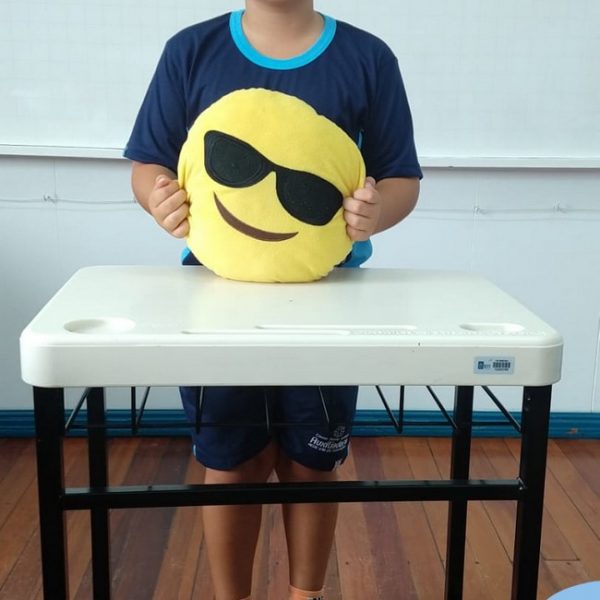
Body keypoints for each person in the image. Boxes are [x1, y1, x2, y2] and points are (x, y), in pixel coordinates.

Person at [124, 1, 422, 599]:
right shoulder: (192, 51)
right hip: (216, 300)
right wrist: (157, 198)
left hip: (327, 300)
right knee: (229, 461)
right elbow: (150, 160)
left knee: (314, 459)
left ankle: (306, 595)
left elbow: (401, 178)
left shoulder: (367, 58)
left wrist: (377, 211)